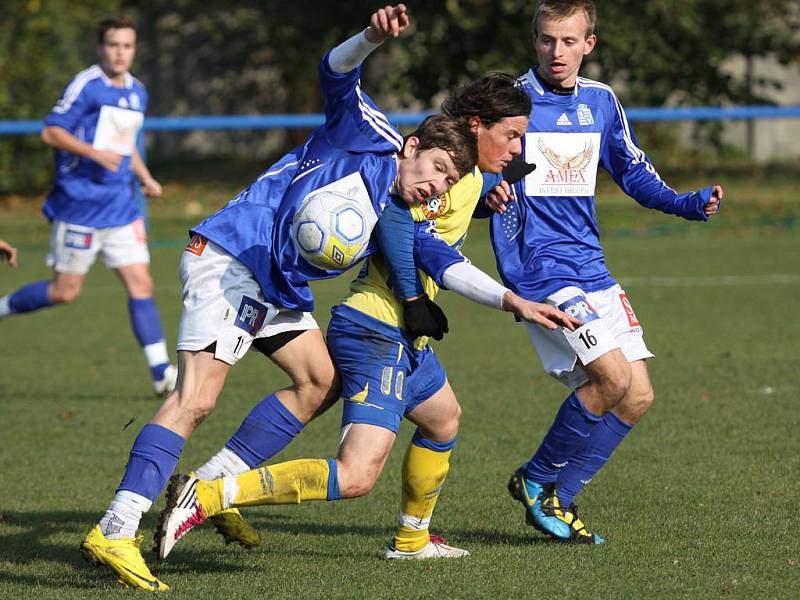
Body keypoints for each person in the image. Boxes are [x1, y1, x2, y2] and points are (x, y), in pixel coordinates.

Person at [79, 5, 479, 591]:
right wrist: (369, 37)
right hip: (233, 257)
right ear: (412, 146)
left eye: (446, 183)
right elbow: (336, 72)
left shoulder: (401, 206)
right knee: (196, 398)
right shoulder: (367, 135)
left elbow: (422, 247)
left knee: (320, 380)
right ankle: (116, 528)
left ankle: (209, 488)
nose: (434, 186)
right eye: (435, 169)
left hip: (278, 285)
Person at [153, 74, 581, 567]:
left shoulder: (465, 176)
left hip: (402, 333)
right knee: (356, 476)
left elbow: (457, 208)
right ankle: (207, 495)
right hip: (376, 328)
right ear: (475, 126)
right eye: (512, 135)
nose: (518, 146)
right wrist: (506, 301)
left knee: (443, 420)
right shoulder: (438, 180)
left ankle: (413, 539)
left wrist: (489, 195)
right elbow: (415, 236)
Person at [480, 0, 724, 544]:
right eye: (546, 40)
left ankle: (559, 501)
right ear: (534, 41)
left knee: (637, 396)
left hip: (591, 266)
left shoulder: (601, 101)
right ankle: (537, 479)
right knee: (610, 378)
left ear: (589, 43)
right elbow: (475, 174)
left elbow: (633, 171)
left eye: (568, 41)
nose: (556, 51)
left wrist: (686, 204)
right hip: (539, 269)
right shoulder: (511, 102)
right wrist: (482, 198)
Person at [0, 17, 177, 396]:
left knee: (141, 283)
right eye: (113, 45)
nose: (120, 53)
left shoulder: (137, 92)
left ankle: (162, 372)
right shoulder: (87, 84)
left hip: (120, 207)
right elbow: (51, 131)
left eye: (127, 46)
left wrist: (143, 176)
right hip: (79, 206)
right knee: (65, 292)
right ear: (101, 48)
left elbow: (125, 142)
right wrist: (92, 153)